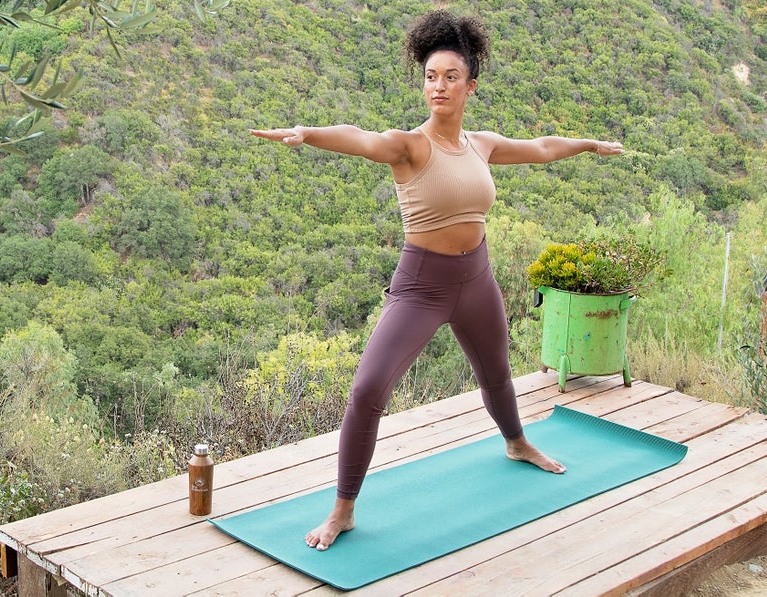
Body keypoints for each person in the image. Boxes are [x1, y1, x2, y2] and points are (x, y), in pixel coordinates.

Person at [250, 10, 624, 552]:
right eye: (430, 76)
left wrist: (589, 145)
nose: (439, 86)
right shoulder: (409, 146)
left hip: (477, 278)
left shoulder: (482, 145)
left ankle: (517, 443)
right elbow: (360, 137)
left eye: (451, 76)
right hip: (421, 286)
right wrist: (305, 134)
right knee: (368, 390)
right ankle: (343, 509)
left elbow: (541, 147)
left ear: (470, 85)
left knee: (496, 374)